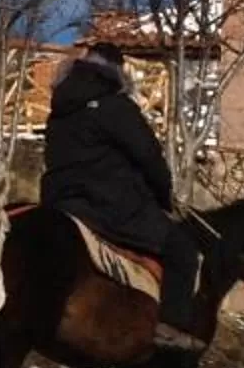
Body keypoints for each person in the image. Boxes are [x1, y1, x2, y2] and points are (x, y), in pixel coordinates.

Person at [41, 42, 205, 351]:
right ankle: (170, 326)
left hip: (59, 202)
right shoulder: (116, 107)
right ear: (118, 73)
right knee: (182, 248)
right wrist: (163, 197)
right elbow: (149, 157)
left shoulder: (59, 109)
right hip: (110, 207)